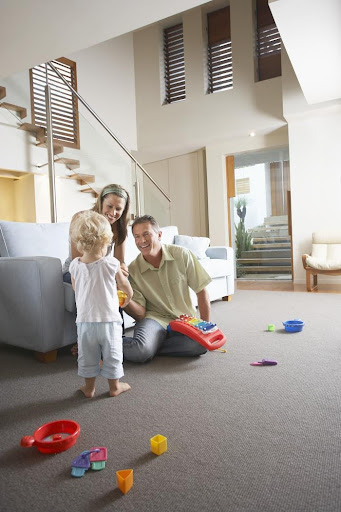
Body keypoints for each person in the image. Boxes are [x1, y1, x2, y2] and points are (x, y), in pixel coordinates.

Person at [122, 215, 212, 363]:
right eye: (137, 236)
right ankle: (99, 347)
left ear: (159, 235)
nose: (142, 241)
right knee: (141, 351)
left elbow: (201, 291)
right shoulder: (133, 269)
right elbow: (140, 315)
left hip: (184, 319)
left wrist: (205, 327)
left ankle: (151, 347)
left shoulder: (182, 255)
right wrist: (126, 298)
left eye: (146, 234)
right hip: (154, 319)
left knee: (200, 345)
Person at [69, 210, 132, 398]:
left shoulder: (74, 265)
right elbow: (125, 287)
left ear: (80, 244)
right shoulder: (111, 263)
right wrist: (126, 298)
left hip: (85, 322)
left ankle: (89, 388)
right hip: (109, 321)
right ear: (106, 242)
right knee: (112, 354)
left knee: (87, 356)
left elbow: (75, 288)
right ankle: (115, 387)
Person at [63, 183, 130, 355]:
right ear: (100, 202)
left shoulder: (118, 226)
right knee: (93, 284)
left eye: (118, 209)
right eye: (109, 206)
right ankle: (85, 340)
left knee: (117, 282)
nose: (113, 213)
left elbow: (120, 260)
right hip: (77, 269)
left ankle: (115, 336)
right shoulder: (81, 219)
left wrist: (119, 269)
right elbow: (80, 259)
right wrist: (107, 271)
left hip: (102, 268)